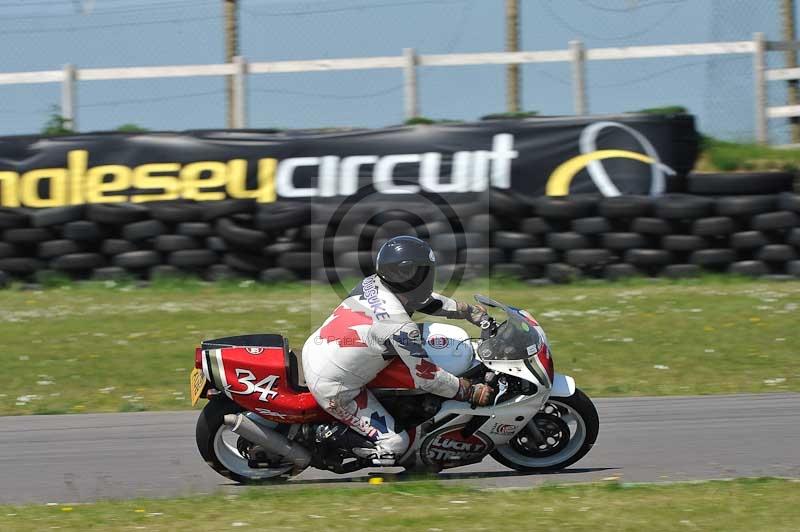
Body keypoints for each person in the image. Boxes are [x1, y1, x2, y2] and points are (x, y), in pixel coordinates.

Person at [301, 235, 495, 465]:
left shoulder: (373, 283)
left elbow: (424, 300)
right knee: (396, 445)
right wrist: (469, 392)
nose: (429, 275)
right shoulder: (400, 327)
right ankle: (325, 437)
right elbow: (429, 378)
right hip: (335, 386)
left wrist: (468, 311)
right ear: (408, 273)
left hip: (323, 349)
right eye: (424, 271)